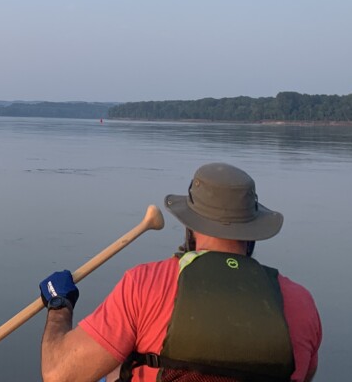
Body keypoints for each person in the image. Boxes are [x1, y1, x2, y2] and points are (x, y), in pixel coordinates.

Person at [39, 163, 322, 382]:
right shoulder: (301, 303)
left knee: (115, 364)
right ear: (253, 232)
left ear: (190, 227)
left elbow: (59, 375)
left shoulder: (145, 285)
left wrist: (59, 306)